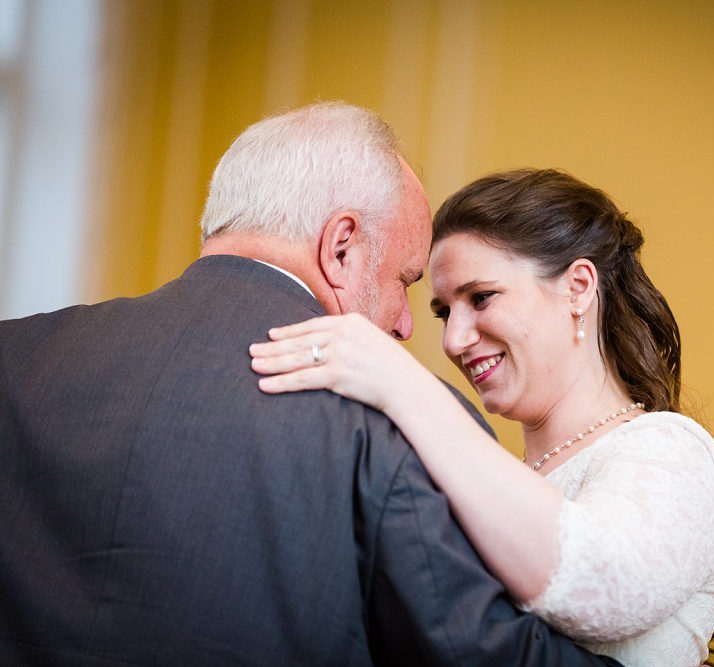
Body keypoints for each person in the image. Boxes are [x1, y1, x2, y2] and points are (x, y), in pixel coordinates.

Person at [0, 104, 625, 667]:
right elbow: (474, 649)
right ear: (342, 248)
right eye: (404, 283)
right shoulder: (393, 413)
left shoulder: (14, 357)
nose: (407, 327)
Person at [249, 169, 714, 667]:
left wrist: (405, 386)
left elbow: (600, 584)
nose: (453, 340)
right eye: (445, 312)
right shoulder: (508, 476)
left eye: (481, 297)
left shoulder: (671, 448)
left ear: (578, 288)